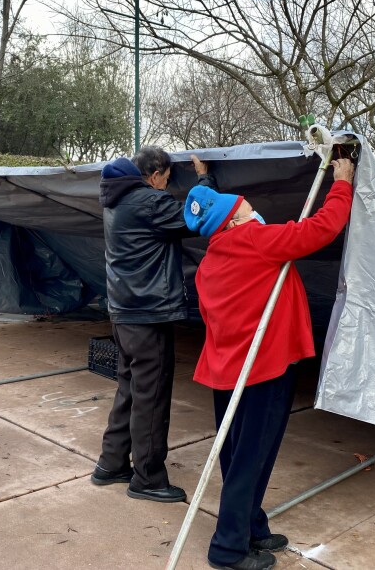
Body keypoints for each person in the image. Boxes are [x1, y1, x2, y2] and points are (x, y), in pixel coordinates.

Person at [183, 158, 355, 570]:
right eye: (245, 209)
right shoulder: (254, 241)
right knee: (251, 457)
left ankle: (251, 526)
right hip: (261, 370)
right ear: (232, 222)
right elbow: (322, 228)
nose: (253, 212)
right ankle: (228, 549)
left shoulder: (210, 261)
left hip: (228, 370)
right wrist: (342, 183)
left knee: (238, 454)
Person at [91, 145, 217, 503]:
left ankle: (111, 464)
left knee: (130, 389)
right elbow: (198, 216)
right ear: (156, 174)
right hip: (148, 314)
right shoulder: (147, 201)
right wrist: (205, 178)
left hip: (125, 311)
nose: (166, 186)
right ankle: (147, 478)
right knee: (152, 397)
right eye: (166, 179)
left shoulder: (115, 201)